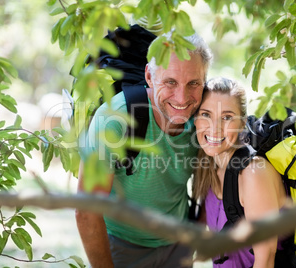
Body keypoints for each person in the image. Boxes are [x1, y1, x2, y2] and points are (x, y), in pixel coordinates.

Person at [75, 32, 213, 268]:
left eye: (194, 83)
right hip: (122, 244)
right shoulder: (116, 118)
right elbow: (87, 210)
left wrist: (198, 228)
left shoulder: (206, 117)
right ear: (149, 76)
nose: (182, 98)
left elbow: (213, 174)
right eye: (170, 82)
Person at [193, 77, 286, 268]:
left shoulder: (252, 173)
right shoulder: (208, 167)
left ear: (242, 122)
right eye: (206, 114)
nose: (214, 127)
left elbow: (266, 259)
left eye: (227, 117)